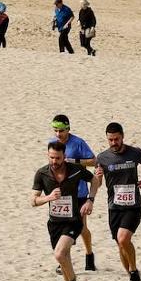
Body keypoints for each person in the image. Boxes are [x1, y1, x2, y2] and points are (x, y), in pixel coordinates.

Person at [31, 140, 100, 281]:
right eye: (51, 157)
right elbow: (33, 201)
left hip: (73, 221)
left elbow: (95, 181)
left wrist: (90, 200)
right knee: (64, 260)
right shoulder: (42, 173)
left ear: (64, 156)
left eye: (58, 158)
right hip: (54, 224)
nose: (54, 161)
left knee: (59, 254)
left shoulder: (75, 170)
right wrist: (48, 198)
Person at [94, 122, 141, 281]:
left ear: (123, 137)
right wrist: (97, 177)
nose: (114, 143)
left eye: (116, 139)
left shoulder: (135, 153)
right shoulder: (102, 158)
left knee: (123, 238)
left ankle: (133, 272)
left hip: (133, 205)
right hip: (114, 207)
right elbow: (98, 183)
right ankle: (133, 279)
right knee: (120, 244)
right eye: (110, 140)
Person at [50, 115, 99, 271]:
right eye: (55, 130)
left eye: (61, 131)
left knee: (82, 228)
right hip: (62, 194)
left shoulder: (78, 143)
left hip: (79, 193)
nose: (58, 134)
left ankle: (89, 254)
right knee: (64, 228)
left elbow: (93, 161)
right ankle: (63, 261)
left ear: (68, 129)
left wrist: (74, 161)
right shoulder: (53, 144)